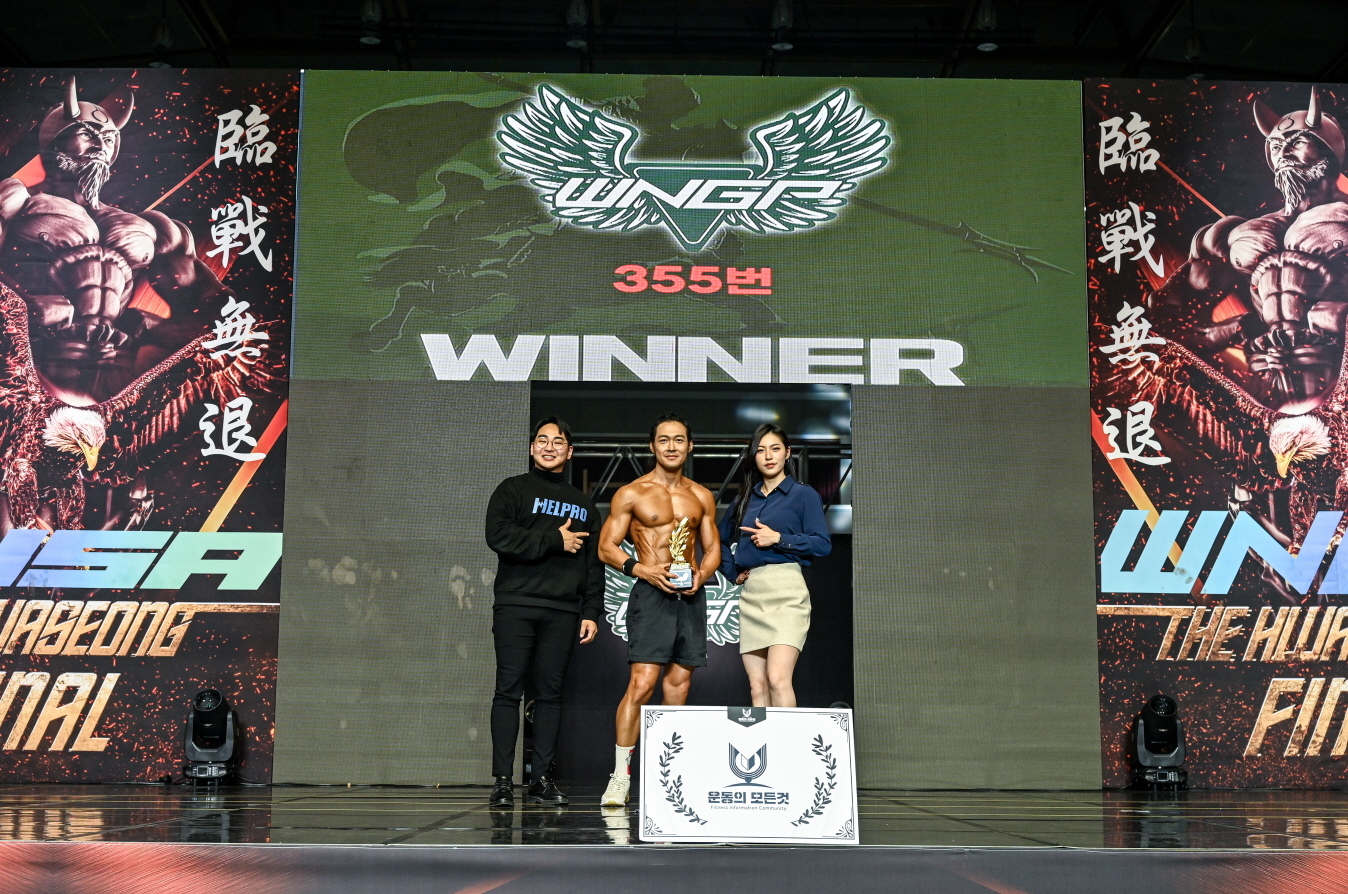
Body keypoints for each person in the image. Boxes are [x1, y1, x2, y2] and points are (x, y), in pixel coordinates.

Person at [596, 413, 720, 807]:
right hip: (650, 595)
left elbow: (713, 548)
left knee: (678, 685)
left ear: (690, 446)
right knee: (642, 683)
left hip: (690, 596)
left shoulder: (701, 496)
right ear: (652, 446)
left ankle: (666, 775)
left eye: (679, 439)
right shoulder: (631, 493)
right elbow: (606, 547)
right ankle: (620, 776)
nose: (671, 446)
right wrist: (643, 570)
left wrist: (702, 574)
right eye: (664, 440)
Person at [484, 417, 602, 808]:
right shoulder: (512, 489)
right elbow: (498, 536)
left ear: (570, 451)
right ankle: (503, 782)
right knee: (508, 691)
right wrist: (554, 540)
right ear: (532, 447)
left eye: (558, 442)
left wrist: (591, 610)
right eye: (542, 440)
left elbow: (592, 564)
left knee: (550, 696)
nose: (549, 447)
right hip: (516, 603)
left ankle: (542, 780)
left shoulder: (584, 505)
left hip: (563, 609)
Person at [718, 423, 831, 708]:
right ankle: (765, 738)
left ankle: (787, 739)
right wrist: (733, 572)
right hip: (753, 593)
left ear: (787, 453)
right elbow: (716, 541)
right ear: (753, 456)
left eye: (775, 449)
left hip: (787, 592)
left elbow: (822, 544)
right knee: (757, 687)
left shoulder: (804, 495)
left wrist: (779, 538)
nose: (768, 456)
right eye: (761, 450)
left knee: (778, 679)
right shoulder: (744, 499)